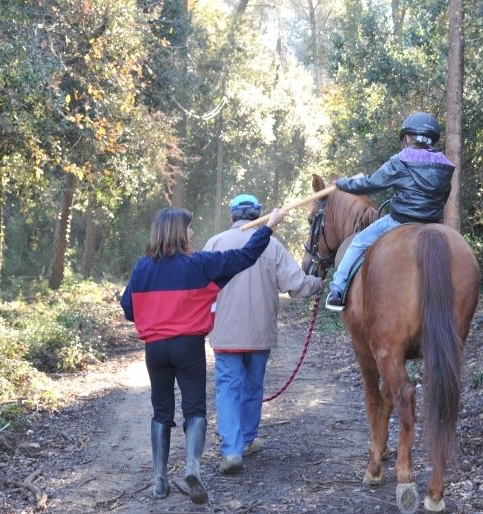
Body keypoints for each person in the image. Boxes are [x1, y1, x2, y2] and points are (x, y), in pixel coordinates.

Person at [120, 206, 286, 503]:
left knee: (161, 411)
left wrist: (155, 315)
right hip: (188, 346)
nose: (192, 232)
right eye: (189, 227)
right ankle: (192, 469)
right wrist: (268, 227)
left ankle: (159, 481)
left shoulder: (142, 267)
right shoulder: (198, 264)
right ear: (179, 232)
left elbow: (128, 308)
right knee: (194, 409)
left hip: (155, 349)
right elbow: (244, 257)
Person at [203, 194, 323, 474]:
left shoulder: (215, 243)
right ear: (258, 215)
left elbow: (199, 287)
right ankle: (246, 440)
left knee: (228, 388)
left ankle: (231, 451)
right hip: (260, 333)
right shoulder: (272, 245)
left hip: (226, 333)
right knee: (253, 385)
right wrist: (320, 283)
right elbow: (296, 285)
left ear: (232, 216)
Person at [325, 112, 455, 311]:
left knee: (358, 243)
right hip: (433, 224)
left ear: (408, 137)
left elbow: (370, 184)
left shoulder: (401, 160)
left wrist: (342, 184)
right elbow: (444, 196)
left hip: (399, 221)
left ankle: (337, 290)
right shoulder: (445, 165)